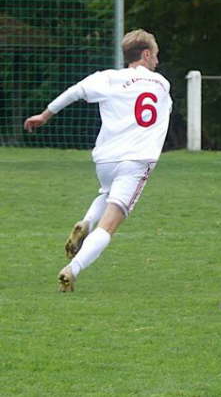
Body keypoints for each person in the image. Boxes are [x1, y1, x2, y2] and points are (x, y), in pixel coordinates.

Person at [23, 29, 172, 291]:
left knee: (106, 193)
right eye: (156, 56)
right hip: (137, 160)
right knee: (109, 226)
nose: (157, 62)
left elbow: (75, 91)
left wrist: (44, 115)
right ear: (146, 54)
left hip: (106, 159)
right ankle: (73, 269)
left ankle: (86, 222)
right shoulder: (161, 83)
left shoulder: (108, 78)